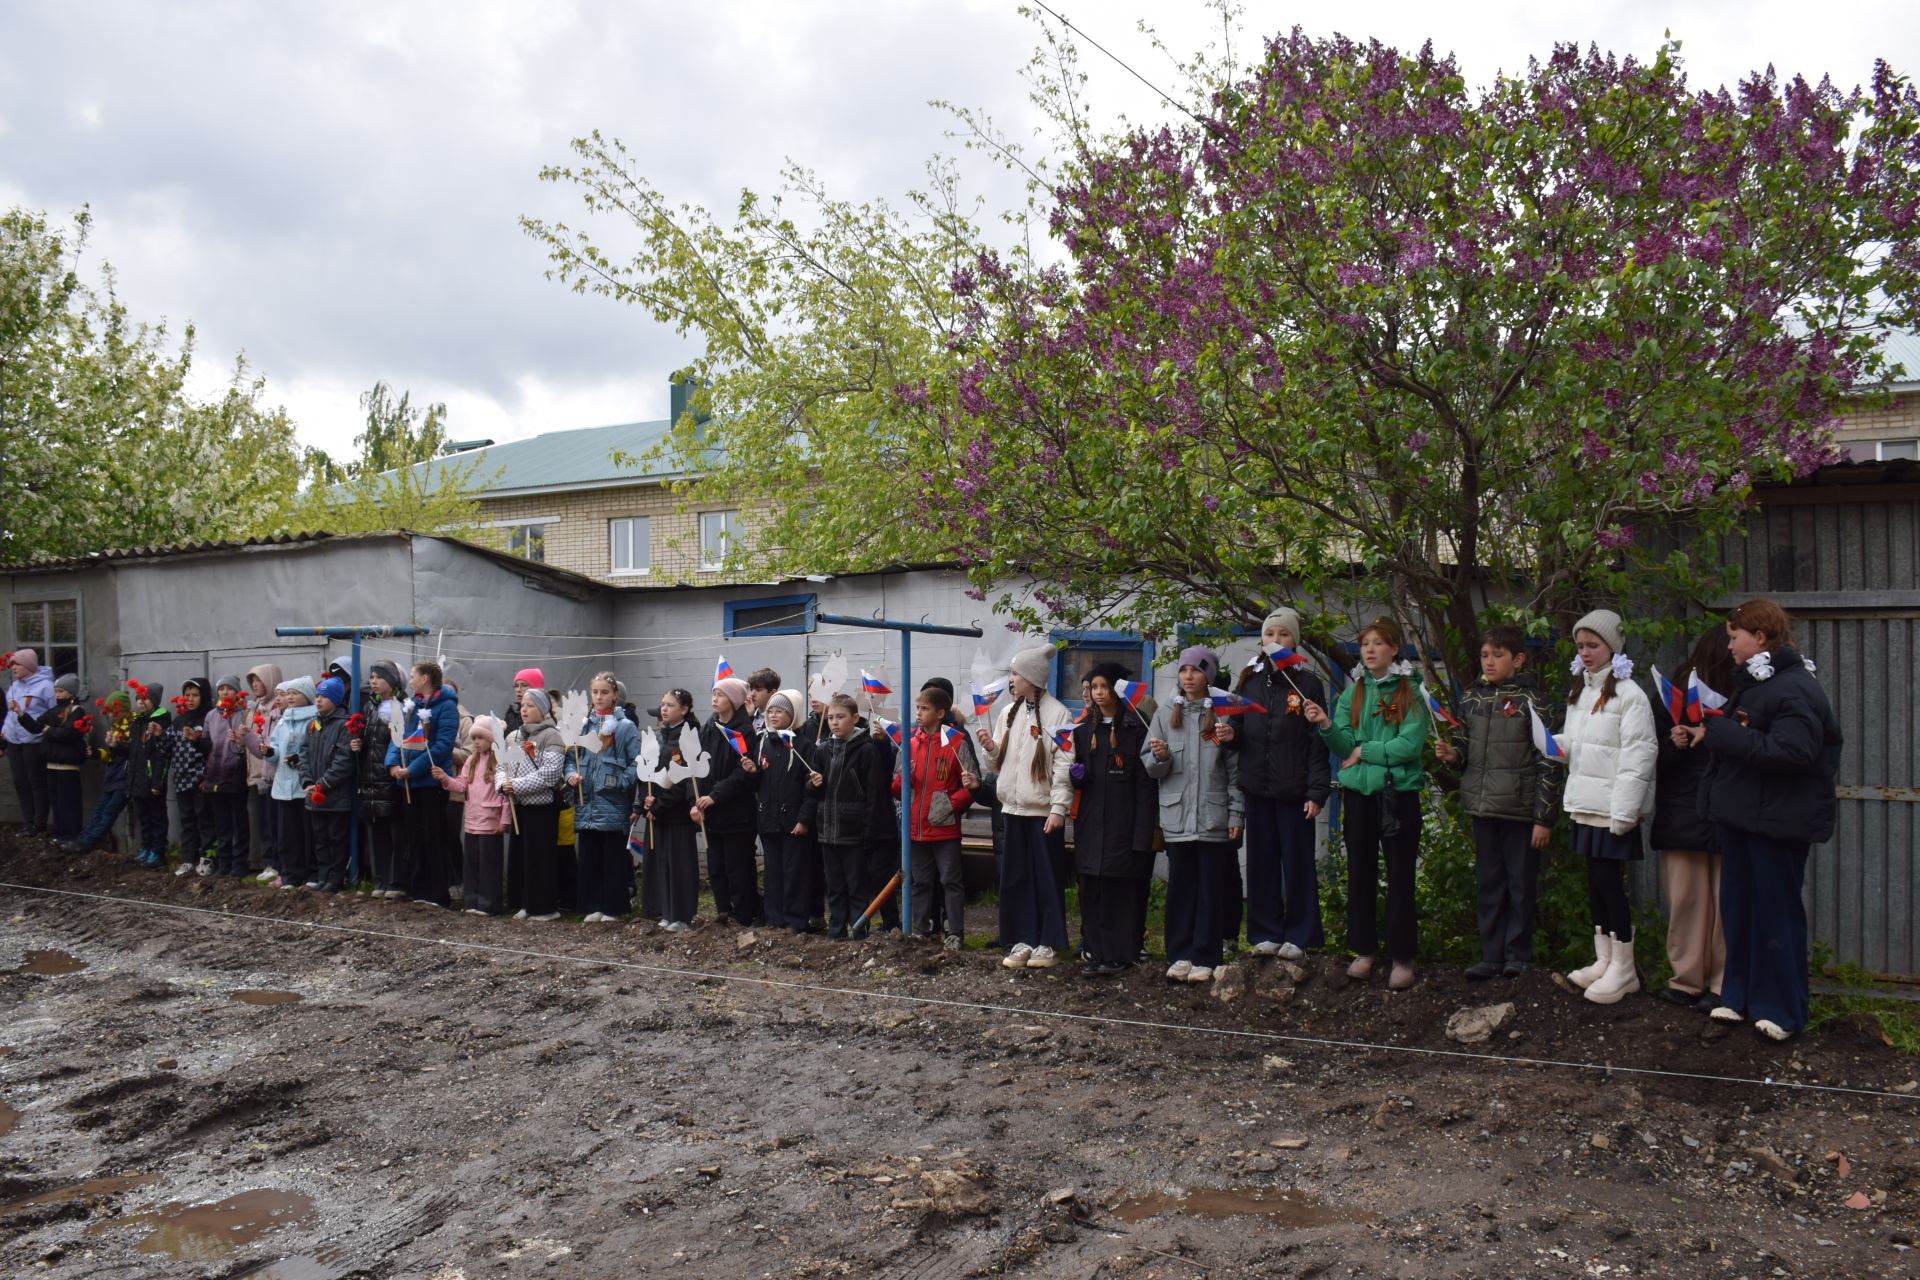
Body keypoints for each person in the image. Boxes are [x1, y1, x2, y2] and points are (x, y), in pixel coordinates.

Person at [1680, 598, 1841, 1042]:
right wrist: (1713, 734)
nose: (1729, 646)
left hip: (1778, 824)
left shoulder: (1795, 688)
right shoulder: (1756, 684)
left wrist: (1726, 733)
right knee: (1740, 908)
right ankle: (1739, 997)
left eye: (1734, 638)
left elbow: (1795, 753)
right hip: (1746, 819)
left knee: (1776, 914)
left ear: (1761, 638)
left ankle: (1783, 1010)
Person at [1305, 617, 1430, 990]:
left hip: (1397, 797)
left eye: (1379, 643)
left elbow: (1409, 746)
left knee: (1400, 877)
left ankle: (1403, 957)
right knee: (1360, 874)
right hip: (1358, 796)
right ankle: (1363, 950)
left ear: (1394, 649)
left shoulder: (1411, 691)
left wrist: (1365, 750)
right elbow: (1343, 745)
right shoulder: (1352, 692)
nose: (1371, 650)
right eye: (1365, 644)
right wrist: (1327, 725)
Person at [1432, 624, 1560, 979]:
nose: (1489, 662)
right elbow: (1463, 745)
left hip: (1520, 809)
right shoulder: (1471, 697)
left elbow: (1549, 760)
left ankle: (1517, 956)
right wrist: (1451, 753)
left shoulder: (1533, 701)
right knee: (1489, 883)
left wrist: (1544, 818)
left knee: (1520, 883)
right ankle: (1491, 956)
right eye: (1485, 655)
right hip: (1483, 806)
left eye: (1497, 656)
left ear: (1517, 659)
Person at [1553, 608, 1657, 1005]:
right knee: (1595, 885)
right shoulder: (1581, 692)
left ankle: (1625, 969)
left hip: (1612, 809)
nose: (1586, 652)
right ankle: (1605, 959)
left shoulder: (1630, 695)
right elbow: (1583, 746)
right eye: (1581, 646)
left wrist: (1625, 812)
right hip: (1585, 803)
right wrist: (1553, 745)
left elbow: (1638, 755)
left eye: (1593, 645)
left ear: (1613, 647)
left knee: (1612, 886)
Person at [1228, 608, 1332, 961]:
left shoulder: (1308, 684)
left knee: (1298, 864)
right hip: (1257, 789)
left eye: (1283, 635)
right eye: (1270, 634)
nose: (1276, 640)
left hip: (1295, 791)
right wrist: (1229, 734)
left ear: (1295, 641)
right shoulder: (1249, 682)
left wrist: (1317, 792)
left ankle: (1300, 935)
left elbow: (1317, 743)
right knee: (1261, 863)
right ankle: (1264, 932)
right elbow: (1239, 734)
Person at [1145, 647, 1243, 983]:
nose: (1188, 677)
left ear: (1209, 676)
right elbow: (1151, 768)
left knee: (1210, 891)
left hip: (1214, 820)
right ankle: (1180, 953)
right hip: (1177, 820)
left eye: (1196, 671)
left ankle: (1206, 955)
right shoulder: (1163, 715)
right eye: (1183, 670)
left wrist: (1236, 815)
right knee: (1181, 890)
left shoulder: (1224, 716)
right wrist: (1159, 757)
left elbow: (1234, 771)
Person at [1650, 625, 1735, 1010]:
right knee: (1685, 899)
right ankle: (1686, 980)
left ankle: (1723, 982)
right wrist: (1675, 743)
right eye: (1731, 645)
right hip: (1683, 809)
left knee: (1725, 901)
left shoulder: (1748, 692)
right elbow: (1650, 757)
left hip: (1728, 810)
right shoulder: (1672, 694)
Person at [979, 645, 1075, 970]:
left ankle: (1046, 943)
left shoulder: (1059, 714)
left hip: (1041, 812)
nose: (1011, 679)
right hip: (1013, 810)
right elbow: (997, 764)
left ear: (1032, 678)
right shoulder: (1009, 713)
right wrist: (991, 748)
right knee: (1016, 878)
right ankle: (1021, 939)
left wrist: (1058, 809)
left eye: (1016, 673)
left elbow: (1063, 764)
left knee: (1044, 878)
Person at [1069, 662, 1155, 975]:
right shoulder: (1083, 731)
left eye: (1104, 687)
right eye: (1094, 688)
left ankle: (1121, 953)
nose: (1098, 693)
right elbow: (1080, 778)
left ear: (1117, 689)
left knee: (1121, 892)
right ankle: (1096, 951)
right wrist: (1075, 776)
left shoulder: (1136, 729)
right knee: (1092, 889)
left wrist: (1142, 835)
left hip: (1124, 825)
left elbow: (1146, 787)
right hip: (1091, 825)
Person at [892, 684, 976, 948]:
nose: (918, 713)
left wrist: (949, 805)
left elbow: (971, 786)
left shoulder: (956, 743)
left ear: (940, 713)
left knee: (950, 881)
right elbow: (896, 788)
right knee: (920, 882)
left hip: (945, 828)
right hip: (916, 828)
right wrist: (904, 775)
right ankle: (921, 929)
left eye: (924, 708)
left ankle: (955, 933)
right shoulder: (909, 743)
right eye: (917, 708)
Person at [567, 672, 643, 922]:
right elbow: (571, 759)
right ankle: (593, 904)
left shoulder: (625, 727)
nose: (599, 697)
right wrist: (571, 776)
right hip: (586, 800)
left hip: (612, 800)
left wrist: (621, 781)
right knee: (590, 856)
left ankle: (614, 906)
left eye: (604, 692)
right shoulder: (583, 725)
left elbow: (636, 762)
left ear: (614, 695)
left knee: (612, 858)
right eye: (595, 692)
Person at [808, 693, 884, 940]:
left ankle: (859, 928)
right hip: (827, 829)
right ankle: (836, 928)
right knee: (834, 884)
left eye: (840, 717)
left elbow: (874, 795)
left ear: (855, 719)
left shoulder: (866, 751)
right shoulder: (822, 750)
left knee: (856, 884)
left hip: (853, 829)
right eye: (830, 717)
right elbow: (809, 788)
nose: (834, 722)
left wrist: (869, 831)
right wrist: (814, 784)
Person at [385, 661, 460, 906]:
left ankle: (437, 892)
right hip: (409, 783)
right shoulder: (412, 705)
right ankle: (418, 888)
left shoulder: (447, 707)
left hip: (430, 783)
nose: (410, 680)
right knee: (414, 836)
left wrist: (412, 770)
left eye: (414, 676)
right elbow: (399, 738)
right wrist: (393, 765)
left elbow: (441, 747)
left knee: (433, 836)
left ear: (426, 679)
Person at [750, 688, 818, 931]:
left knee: (795, 872)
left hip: (793, 820)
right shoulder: (762, 743)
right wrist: (752, 772)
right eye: (771, 711)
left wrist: (804, 819)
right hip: (768, 818)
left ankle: (796, 919)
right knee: (772, 872)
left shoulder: (803, 746)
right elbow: (759, 782)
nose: (774, 715)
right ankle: (774, 917)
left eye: (780, 711)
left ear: (794, 714)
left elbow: (811, 788)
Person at [698, 676, 763, 925]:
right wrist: (699, 799)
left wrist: (715, 795)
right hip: (711, 811)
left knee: (739, 867)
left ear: (734, 700)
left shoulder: (743, 730)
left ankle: (744, 913)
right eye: (714, 693)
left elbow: (744, 773)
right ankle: (722, 910)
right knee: (716, 867)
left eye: (721, 695)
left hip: (736, 812)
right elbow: (701, 764)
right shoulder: (710, 726)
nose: (715, 699)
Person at [499, 686, 566, 921]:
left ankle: (545, 906)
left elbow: (550, 774)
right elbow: (503, 767)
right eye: (523, 706)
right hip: (520, 807)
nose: (524, 710)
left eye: (530, 706)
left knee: (541, 857)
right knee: (523, 857)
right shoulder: (517, 736)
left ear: (543, 709)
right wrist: (503, 784)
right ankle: (525, 902)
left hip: (541, 808)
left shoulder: (551, 736)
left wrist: (515, 785)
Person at [638, 688, 701, 931]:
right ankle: (664, 910)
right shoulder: (659, 735)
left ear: (684, 710)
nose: (664, 709)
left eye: (670, 705)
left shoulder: (688, 737)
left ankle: (681, 914)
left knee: (679, 865)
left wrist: (662, 805)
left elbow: (684, 779)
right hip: (656, 812)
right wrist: (646, 799)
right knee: (660, 863)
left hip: (675, 814)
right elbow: (645, 772)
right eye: (663, 704)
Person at [436, 714, 510, 915]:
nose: (476, 742)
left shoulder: (500, 762)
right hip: (471, 821)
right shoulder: (470, 760)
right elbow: (461, 784)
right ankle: (471, 902)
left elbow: (505, 795)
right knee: (471, 863)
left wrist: (505, 820)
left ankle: (489, 904)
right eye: (474, 738)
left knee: (489, 865)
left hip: (490, 822)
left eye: (481, 738)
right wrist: (445, 778)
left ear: (492, 739)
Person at [346, 659, 405, 897]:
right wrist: (356, 744)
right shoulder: (369, 707)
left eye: (378, 677)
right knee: (376, 832)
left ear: (392, 681)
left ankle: (397, 881)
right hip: (370, 778)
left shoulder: (402, 705)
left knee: (395, 832)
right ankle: (380, 880)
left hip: (390, 777)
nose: (373, 681)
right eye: (371, 677)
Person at [298, 675, 356, 893]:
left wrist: (323, 783)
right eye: (317, 695)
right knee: (320, 838)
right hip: (314, 794)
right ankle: (323, 875)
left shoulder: (344, 724)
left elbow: (343, 760)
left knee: (336, 838)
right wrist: (307, 781)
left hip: (335, 795)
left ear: (335, 699)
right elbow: (303, 753)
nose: (318, 700)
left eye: (324, 696)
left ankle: (336, 877)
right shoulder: (313, 723)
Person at [264, 677, 317, 890]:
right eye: (289, 693)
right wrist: (269, 752)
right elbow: (276, 748)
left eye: (295, 693)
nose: (290, 697)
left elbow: (314, 749)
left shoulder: (313, 719)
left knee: (308, 833)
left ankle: (312, 874)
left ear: (308, 696)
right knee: (288, 835)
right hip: (283, 786)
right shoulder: (284, 720)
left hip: (303, 785)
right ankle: (290, 875)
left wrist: (299, 759)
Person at [24, 674, 89, 843]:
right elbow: (36, 727)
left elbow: (69, 734)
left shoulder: (78, 712)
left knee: (69, 801)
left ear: (71, 693)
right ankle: (59, 832)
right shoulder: (53, 712)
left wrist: (49, 731)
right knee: (56, 801)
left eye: (61, 691)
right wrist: (21, 715)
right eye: (56, 691)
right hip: (51, 763)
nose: (57, 695)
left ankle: (72, 834)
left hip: (68, 765)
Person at [70, 688, 135, 855]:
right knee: (100, 810)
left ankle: (88, 843)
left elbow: (133, 753)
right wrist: (97, 753)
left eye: (115, 712)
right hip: (113, 775)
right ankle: (83, 840)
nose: (112, 715)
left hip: (125, 777)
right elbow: (112, 757)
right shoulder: (115, 727)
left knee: (108, 812)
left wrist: (117, 746)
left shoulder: (134, 727)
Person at [2, 648, 56, 835]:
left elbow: (54, 713)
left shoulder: (45, 687)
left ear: (28, 666)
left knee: (36, 781)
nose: (14, 668)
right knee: (20, 782)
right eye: (12, 665)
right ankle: (28, 821)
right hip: (14, 741)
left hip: (34, 740)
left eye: (17, 664)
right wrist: (4, 731)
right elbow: (11, 712)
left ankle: (39, 823)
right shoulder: (15, 686)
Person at [168, 678, 216, 876]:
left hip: (201, 779)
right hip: (181, 778)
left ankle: (207, 859)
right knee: (187, 820)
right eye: (187, 695)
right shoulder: (179, 720)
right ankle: (188, 859)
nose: (190, 699)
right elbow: (170, 747)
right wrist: (158, 736)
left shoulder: (209, 717)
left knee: (205, 819)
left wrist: (208, 776)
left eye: (195, 695)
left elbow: (214, 748)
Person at [241, 663, 284, 876]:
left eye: (259, 680)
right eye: (253, 682)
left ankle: (274, 864)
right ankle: (268, 862)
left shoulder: (277, 708)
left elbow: (269, 742)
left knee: (272, 822)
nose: (256, 685)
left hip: (270, 772)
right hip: (255, 772)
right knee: (260, 821)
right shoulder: (254, 706)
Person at [127, 681, 171, 868]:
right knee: (143, 816)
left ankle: (158, 851)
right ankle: (146, 846)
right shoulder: (137, 723)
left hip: (152, 780)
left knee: (157, 817)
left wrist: (157, 783)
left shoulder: (160, 723)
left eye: (144, 699)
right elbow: (134, 752)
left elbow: (161, 756)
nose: (140, 702)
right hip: (137, 780)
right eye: (138, 698)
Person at [746, 668, 781, 735]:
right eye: (751, 689)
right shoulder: (748, 713)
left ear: (773, 693)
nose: (752, 694)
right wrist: (749, 717)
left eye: (758, 690)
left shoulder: (779, 718)